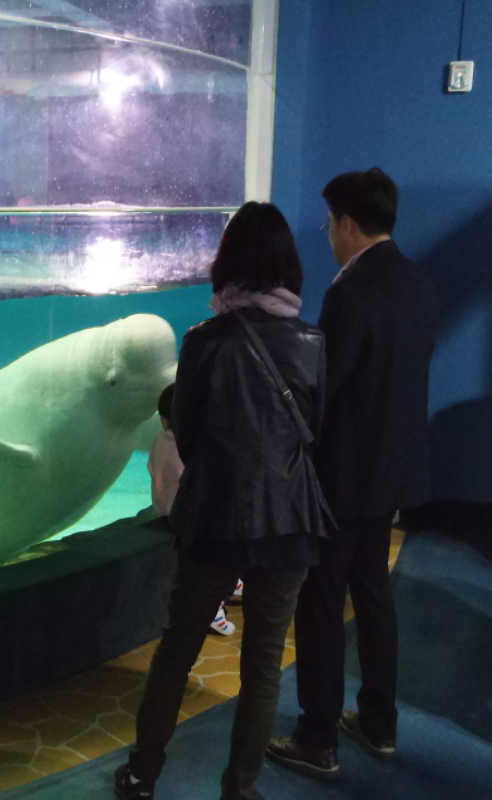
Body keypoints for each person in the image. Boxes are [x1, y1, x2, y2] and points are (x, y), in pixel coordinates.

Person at [114, 202, 333, 800]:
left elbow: (185, 431)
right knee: (262, 666)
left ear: (226, 265)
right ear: (289, 266)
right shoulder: (312, 342)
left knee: (178, 648)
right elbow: (317, 426)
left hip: (214, 515)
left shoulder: (204, 342)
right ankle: (240, 788)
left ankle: (142, 772)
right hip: (290, 519)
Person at [267, 168, 437, 780]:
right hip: (394, 472)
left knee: (321, 602)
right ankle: (378, 721)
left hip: (342, 476)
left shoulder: (350, 291)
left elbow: (325, 386)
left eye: (329, 222)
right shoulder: (418, 282)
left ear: (345, 222)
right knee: (373, 595)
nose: (327, 234)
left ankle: (317, 736)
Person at [148, 384, 237, 636]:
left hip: (166, 512)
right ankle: (214, 611)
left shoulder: (159, 441)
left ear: (164, 421)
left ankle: (230, 583)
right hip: (192, 521)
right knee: (213, 565)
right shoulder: (194, 447)